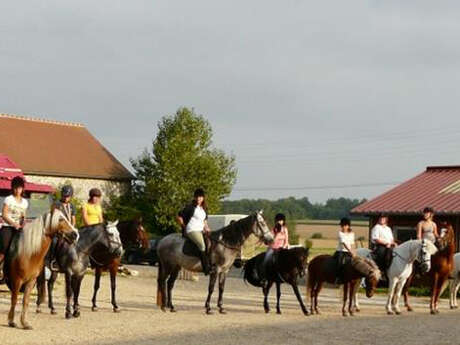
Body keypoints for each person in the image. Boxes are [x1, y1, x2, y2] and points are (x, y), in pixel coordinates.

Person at [0, 176, 29, 282]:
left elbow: (24, 216)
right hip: (8, 227)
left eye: (20, 188)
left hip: (19, 228)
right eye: (16, 188)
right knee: (5, 249)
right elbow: (4, 215)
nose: (18, 190)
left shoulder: (25, 202)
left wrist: (23, 221)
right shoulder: (9, 199)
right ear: (13, 188)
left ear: (22, 189)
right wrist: (13, 223)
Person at [177, 188, 211, 275]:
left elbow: (204, 222)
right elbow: (179, 216)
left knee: (211, 242)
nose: (199, 198)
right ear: (195, 198)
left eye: (201, 197)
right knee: (202, 245)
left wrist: (207, 229)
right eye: (198, 197)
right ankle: (206, 268)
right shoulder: (190, 207)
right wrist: (183, 226)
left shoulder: (203, 209)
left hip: (200, 230)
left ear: (203, 198)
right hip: (192, 230)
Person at [48, 185, 76, 271]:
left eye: (67, 196)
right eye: (64, 196)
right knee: (54, 242)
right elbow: (54, 219)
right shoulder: (56, 204)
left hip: (69, 229)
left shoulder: (72, 206)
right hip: (59, 230)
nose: (66, 198)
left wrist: (72, 228)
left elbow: (73, 219)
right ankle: (53, 260)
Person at [261, 213, 289, 284]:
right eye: (278, 220)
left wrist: (283, 247)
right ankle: (264, 277)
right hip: (272, 249)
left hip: (282, 248)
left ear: (283, 221)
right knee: (266, 260)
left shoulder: (285, 230)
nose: (279, 222)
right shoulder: (273, 230)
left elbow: (286, 240)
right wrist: (277, 234)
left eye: (281, 220)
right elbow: (271, 240)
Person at [334, 217, 355, 284]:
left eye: (344, 225)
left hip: (349, 252)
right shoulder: (340, 233)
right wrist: (350, 251)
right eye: (342, 226)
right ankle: (338, 277)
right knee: (339, 263)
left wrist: (354, 252)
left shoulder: (352, 234)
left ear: (348, 226)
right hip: (341, 251)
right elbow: (344, 243)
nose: (343, 227)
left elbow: (352, 243)